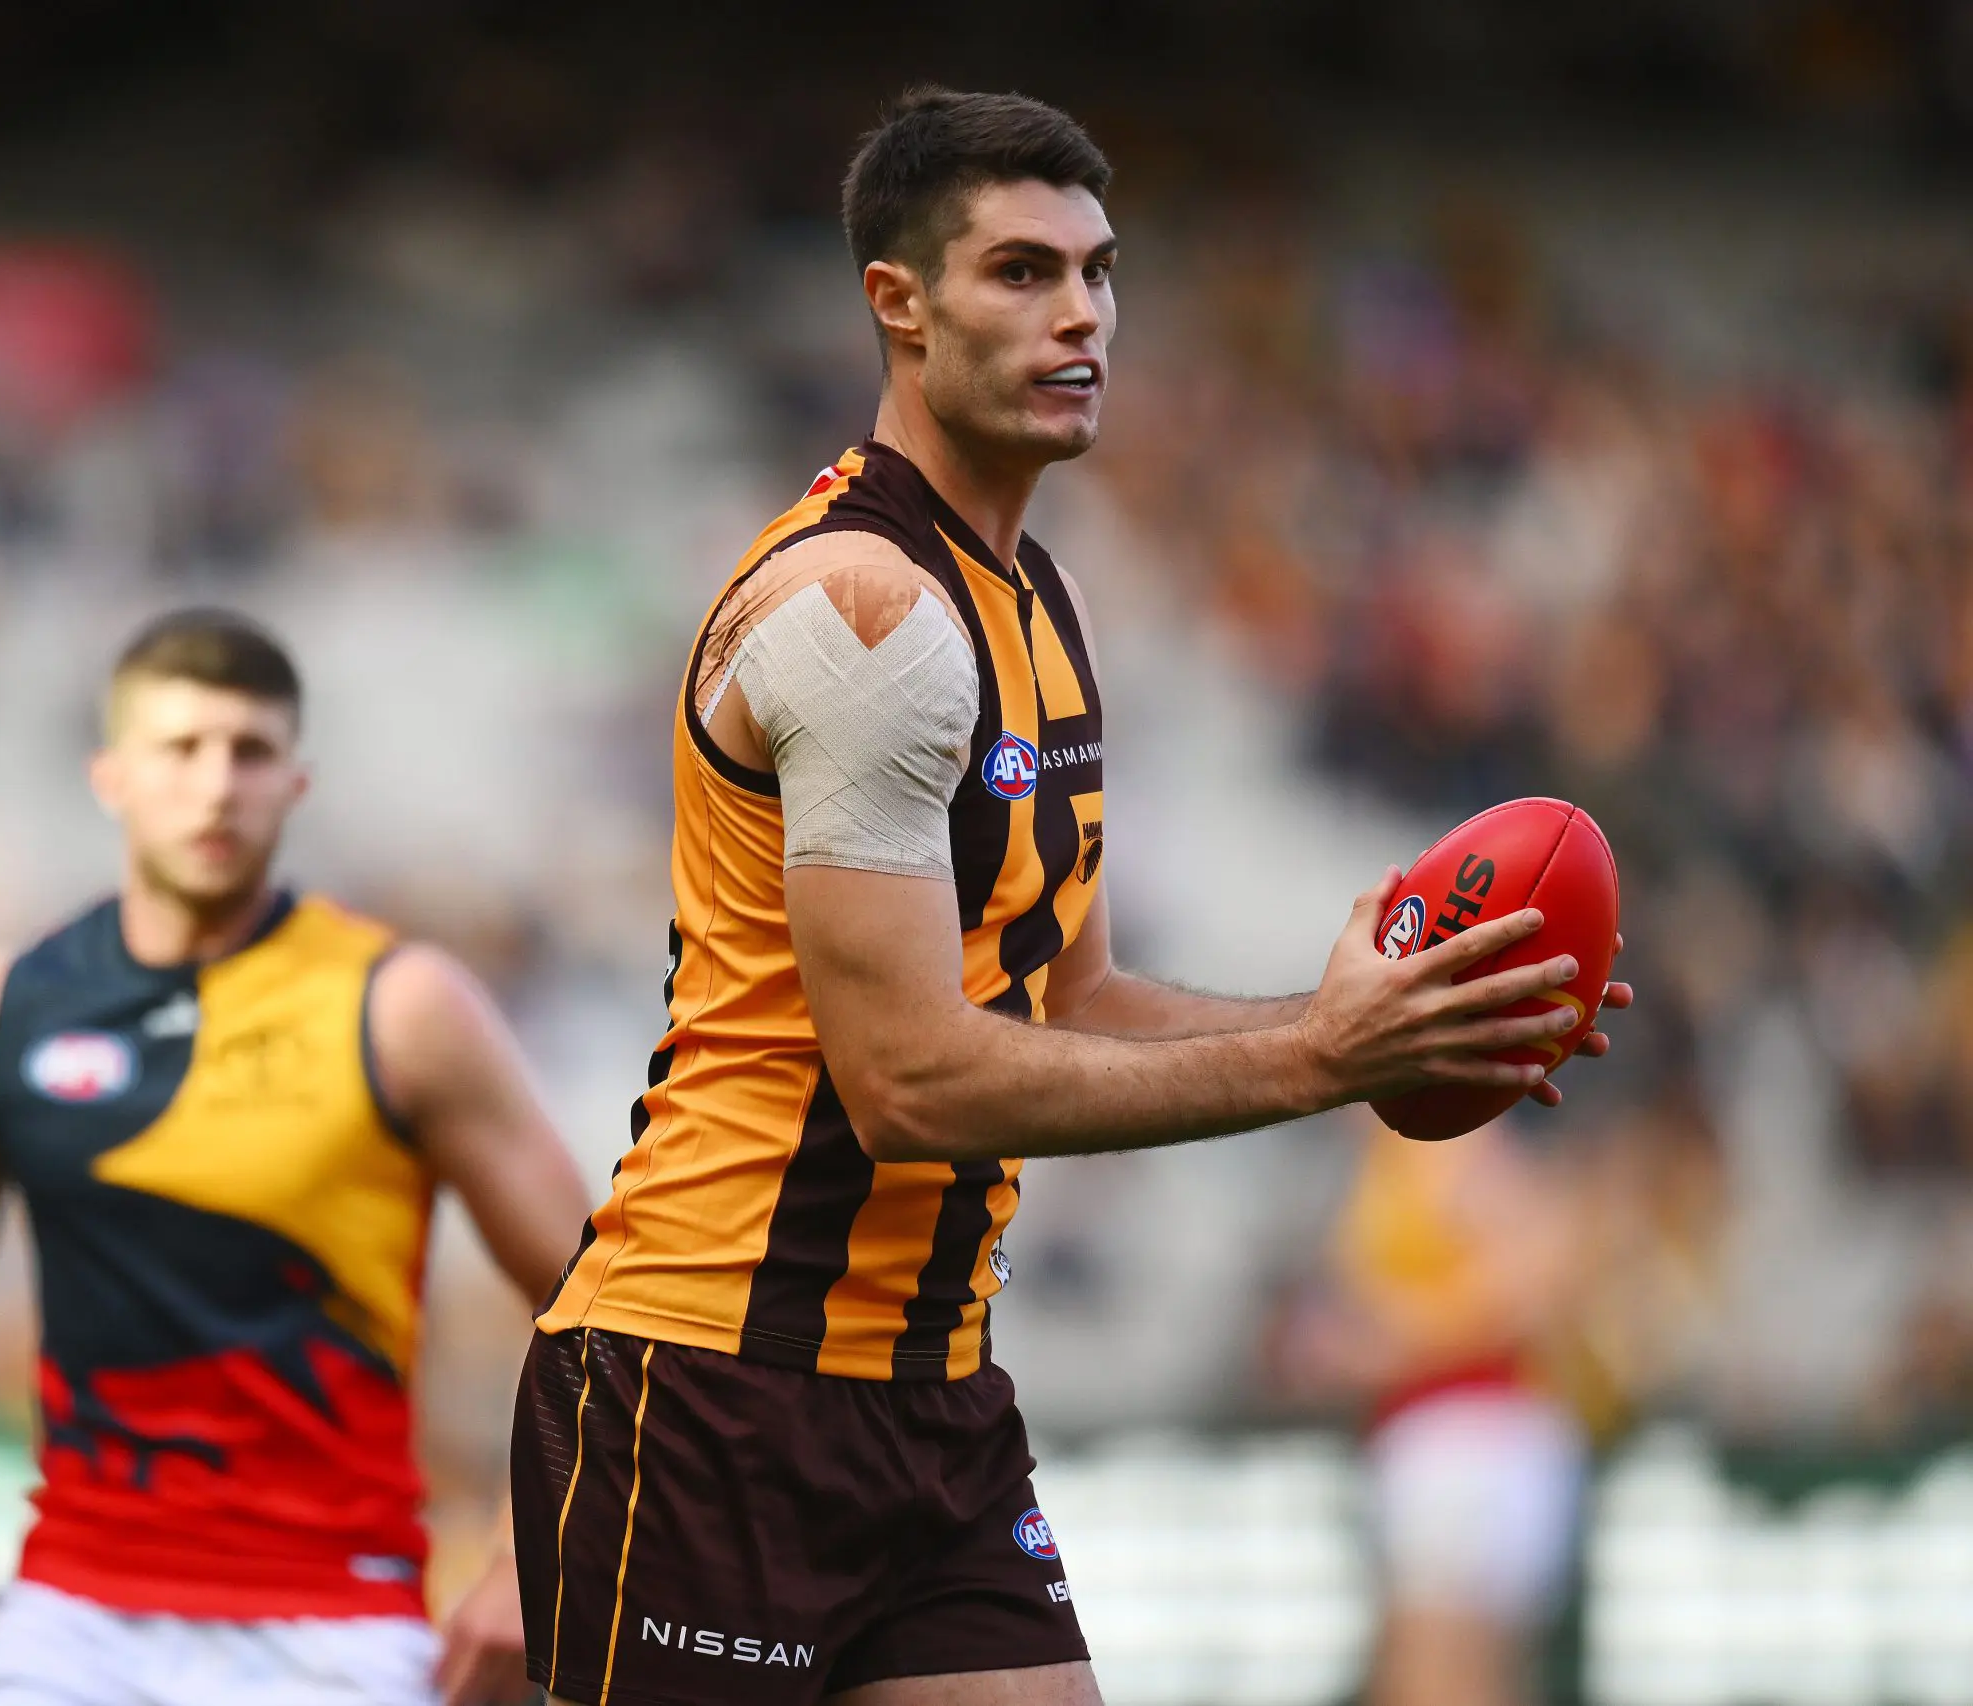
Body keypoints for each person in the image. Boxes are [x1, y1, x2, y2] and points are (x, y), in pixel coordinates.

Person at [510, 87, 1631, 1706]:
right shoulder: (866, 615)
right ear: (897, 302)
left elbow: (1076, 998)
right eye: (1021, 273)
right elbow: (908, 1082)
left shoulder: (1038, 600)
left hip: (931, 1397)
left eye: (1099, 273)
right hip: (716, 1388)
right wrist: (1322, 1065)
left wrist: (1364, 1025)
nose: (1081, 314)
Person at [0, 608, 591, 1706]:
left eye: (249, 752)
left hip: (334, 1622)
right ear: (109, 772)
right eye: (180, 749)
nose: (216, 786)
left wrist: (524, 1562)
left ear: (296, 781)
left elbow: (595, 1292)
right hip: (70, 1615)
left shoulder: (400, 1010)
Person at [1284, 1118, 1595, 1706]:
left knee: (1429, 1676)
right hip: (1458, 1439)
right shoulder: (1391, 1155)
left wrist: (1387, 1345)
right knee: (1471, 1675)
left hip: (1465, 1438)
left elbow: (1546, 1267)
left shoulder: (1446, 1142)